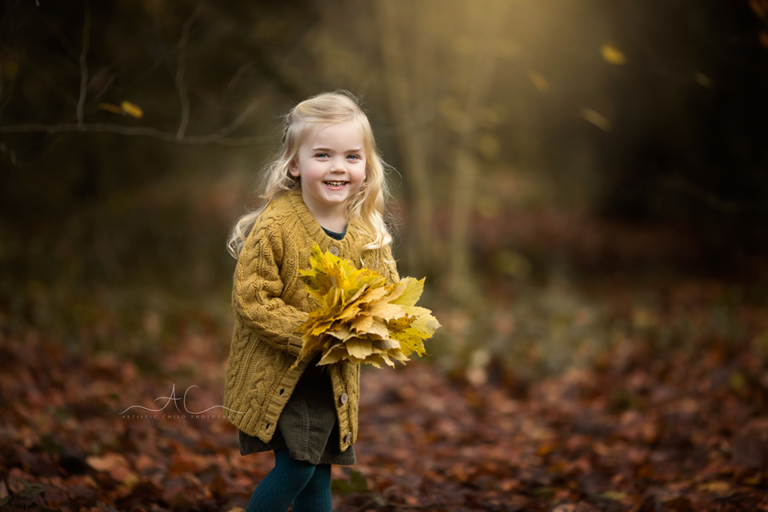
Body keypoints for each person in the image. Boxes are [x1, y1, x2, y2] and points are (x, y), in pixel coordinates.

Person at [222, 91, 400, 512]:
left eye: (352, 156)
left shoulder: (366, 230)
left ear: (366, 166)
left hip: (332, 379)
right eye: (323, 155)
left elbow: (386, 293)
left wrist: (375, 323)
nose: (338, 167)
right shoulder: (277, 226)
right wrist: (317, 333)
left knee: (318, 474)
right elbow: (253, 299)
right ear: (294, 164)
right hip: (284, 374)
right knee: (298, 467)